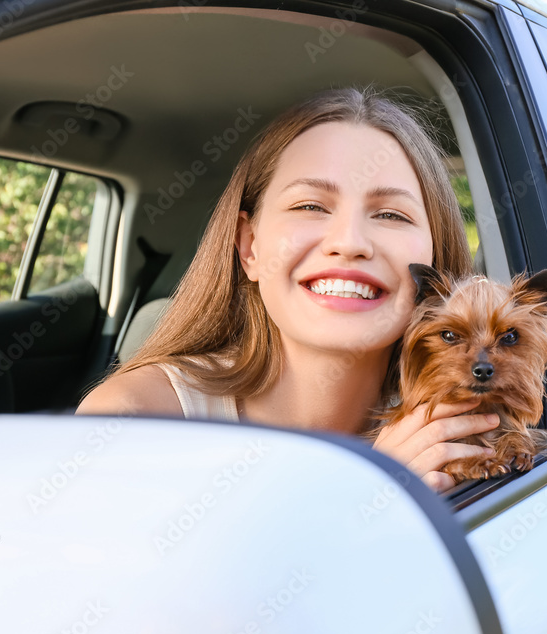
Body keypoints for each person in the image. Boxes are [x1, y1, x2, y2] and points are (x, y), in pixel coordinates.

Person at [77, 87, 499, 492]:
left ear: (435, 260)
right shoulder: (134, 419)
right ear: (249, 246)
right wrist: (364, 497)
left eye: (391, 214)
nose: (349, 242)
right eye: (310, 206)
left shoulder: (474, 425)